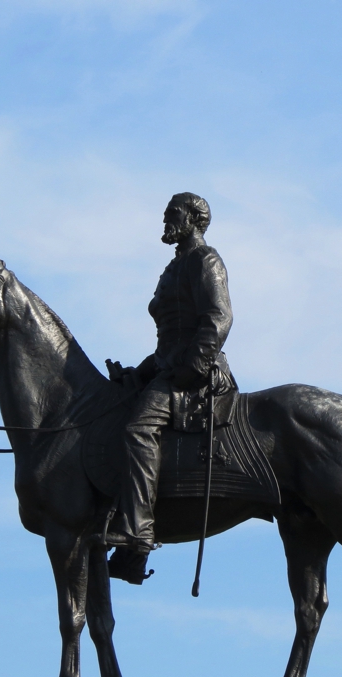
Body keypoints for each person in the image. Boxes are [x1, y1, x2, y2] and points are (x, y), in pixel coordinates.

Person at [99, 192, 235, 569]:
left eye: (172, 213)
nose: (165, 218)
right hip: (170, 366)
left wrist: (194, 365)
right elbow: (168, 340)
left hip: (197, 371)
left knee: (137, 430)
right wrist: (139, 373)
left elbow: (218, 317)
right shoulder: (175, 266)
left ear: (194, 218)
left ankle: (137, 532)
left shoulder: (205, 260)